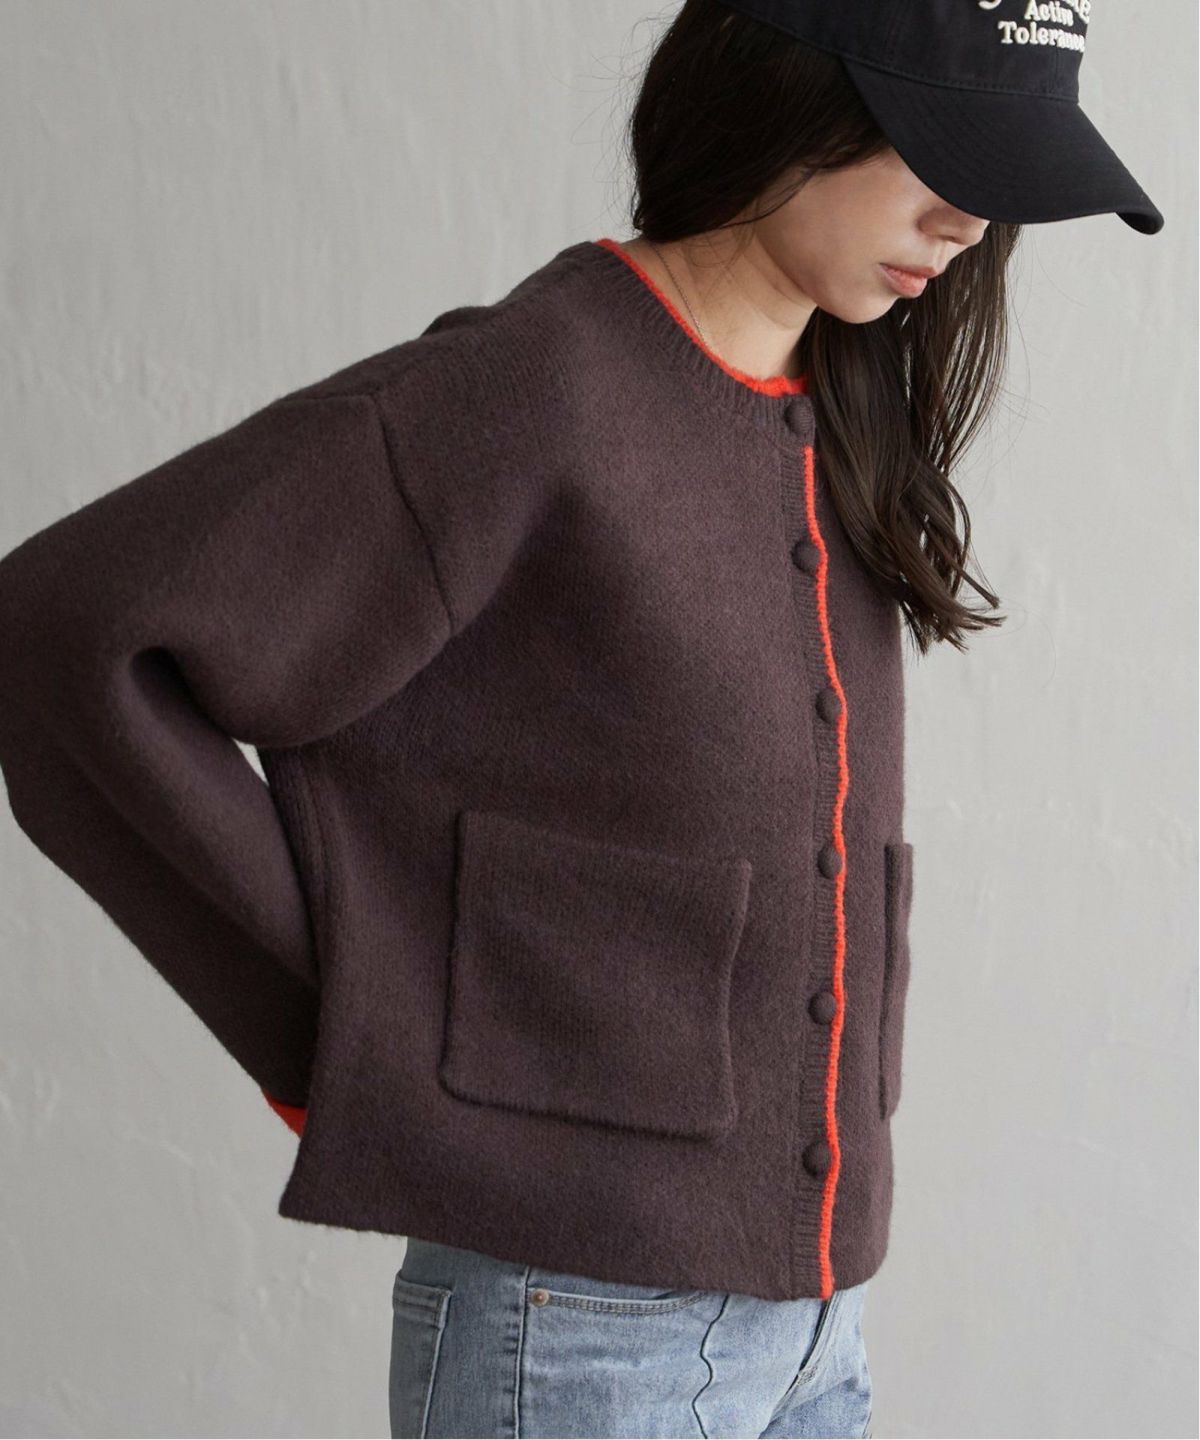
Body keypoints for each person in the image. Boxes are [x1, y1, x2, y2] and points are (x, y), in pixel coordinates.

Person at [0, 2, 1162, 1437]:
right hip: (580, 1337)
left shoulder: (838, 409)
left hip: (815, 1330)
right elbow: (66, 636)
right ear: (785, 95)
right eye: (944, 152)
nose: (969, 222)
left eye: (1003, 180)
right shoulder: (538, 388)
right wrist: (349, 1029)